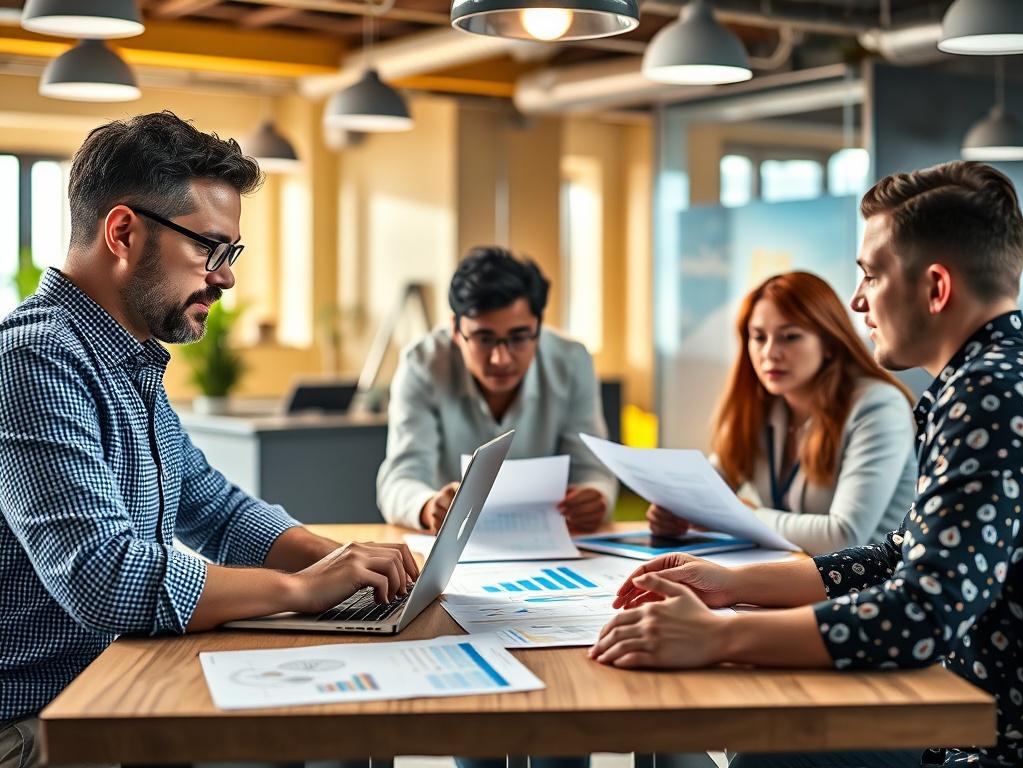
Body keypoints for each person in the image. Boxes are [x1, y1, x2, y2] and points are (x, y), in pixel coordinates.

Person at [0, 112, 417, 768]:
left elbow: (215, 509)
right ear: (123, 232)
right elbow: (102, 578)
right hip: (41, 728)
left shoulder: (127, 359)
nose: (224, 278)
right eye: (209, 249)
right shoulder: (35, 360)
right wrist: (301, 590)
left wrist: (348, 564)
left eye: (232, 254)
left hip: (114, 689)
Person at [591, 160, 1023, 768]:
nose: (857, 300)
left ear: (935, 288)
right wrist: (730, 585)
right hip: (956, 716)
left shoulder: (987, 396)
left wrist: (720, 636)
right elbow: (896, 556)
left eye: (870, 275)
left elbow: (923, 613)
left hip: (982, 742)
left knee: (769, 754)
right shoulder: (984, 381)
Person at [648, 271, 917, 556]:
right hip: (793, 576)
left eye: (789, 337)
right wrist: (677, 509)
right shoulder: (763, 404)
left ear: (829, 343)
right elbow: (708, 489)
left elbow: (843, 537)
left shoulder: (879, 406)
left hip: (871, 587)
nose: (770, 353)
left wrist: (739, 515)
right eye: (759, 337)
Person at [377, 245, 618, 534]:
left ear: (538, 327)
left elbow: (592, 471)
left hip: (550, 543)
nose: (501, 358)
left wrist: (596, 496)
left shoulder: (572, 362)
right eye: (484, 338)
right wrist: (428, 505)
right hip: (452, 544)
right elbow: (400, 479)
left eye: (518, 337)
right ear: (456, 329)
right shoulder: (422, 363)